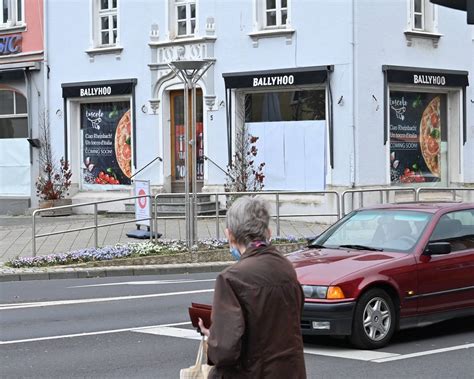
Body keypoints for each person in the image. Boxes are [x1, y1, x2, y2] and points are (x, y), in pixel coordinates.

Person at [198, 196, 306, 378]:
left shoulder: (231, 279)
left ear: (230, 235)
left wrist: (213, 337)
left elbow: (225, 351)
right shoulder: (286, 268)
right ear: (268, 232)